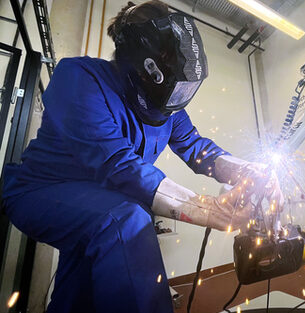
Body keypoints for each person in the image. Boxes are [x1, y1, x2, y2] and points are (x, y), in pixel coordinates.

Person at [2, 1, 283, 312]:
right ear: (143, 68)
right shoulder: (79, 78)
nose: (175, 102)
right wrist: (206, 209)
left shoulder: (170, 110)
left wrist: (246, 171)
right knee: (129, 220)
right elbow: (117, 164)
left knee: (77, 294)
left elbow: (196, 147)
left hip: (99, 208)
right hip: (39, 191)